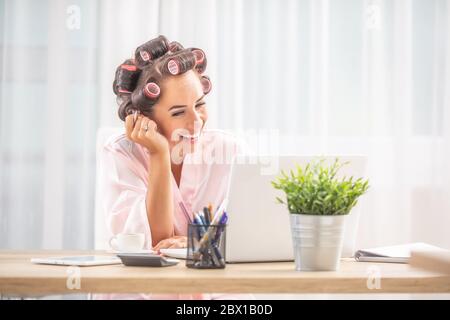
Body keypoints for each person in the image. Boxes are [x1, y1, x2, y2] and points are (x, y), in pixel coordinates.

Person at [97, 35, 253, 300]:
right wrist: (158, 153)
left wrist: (196, 245)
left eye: (200, 105)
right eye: (179, 112)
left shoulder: (229, 150)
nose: (196, 121)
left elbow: (250, 237)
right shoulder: (121, 154)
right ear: (145, 119)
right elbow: (153, 243)